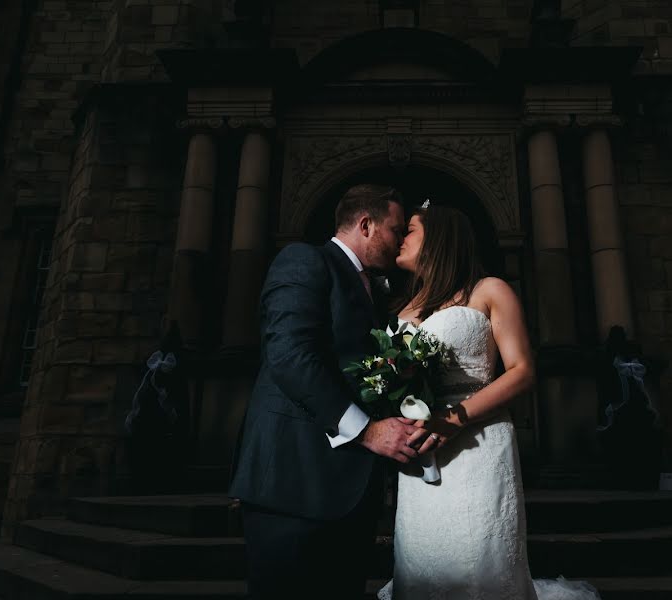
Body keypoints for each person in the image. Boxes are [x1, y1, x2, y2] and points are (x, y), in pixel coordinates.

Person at [378, 204, 600, 600]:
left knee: (476, 562)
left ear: (438, 238)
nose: (401, 238)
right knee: (422, 562)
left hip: (477, 442)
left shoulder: (489, 290)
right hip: (421, 448)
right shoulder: (405, 310)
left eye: (410, 230)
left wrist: (454, 418)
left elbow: (522, 371)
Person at [229, 184, 428, 599]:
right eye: (395, 230)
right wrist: (369, 431)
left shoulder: (378, 289)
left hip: (351, 492)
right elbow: (289, 355)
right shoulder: (305, 260)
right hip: (293, 480)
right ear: (366, 225)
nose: (398, 242)